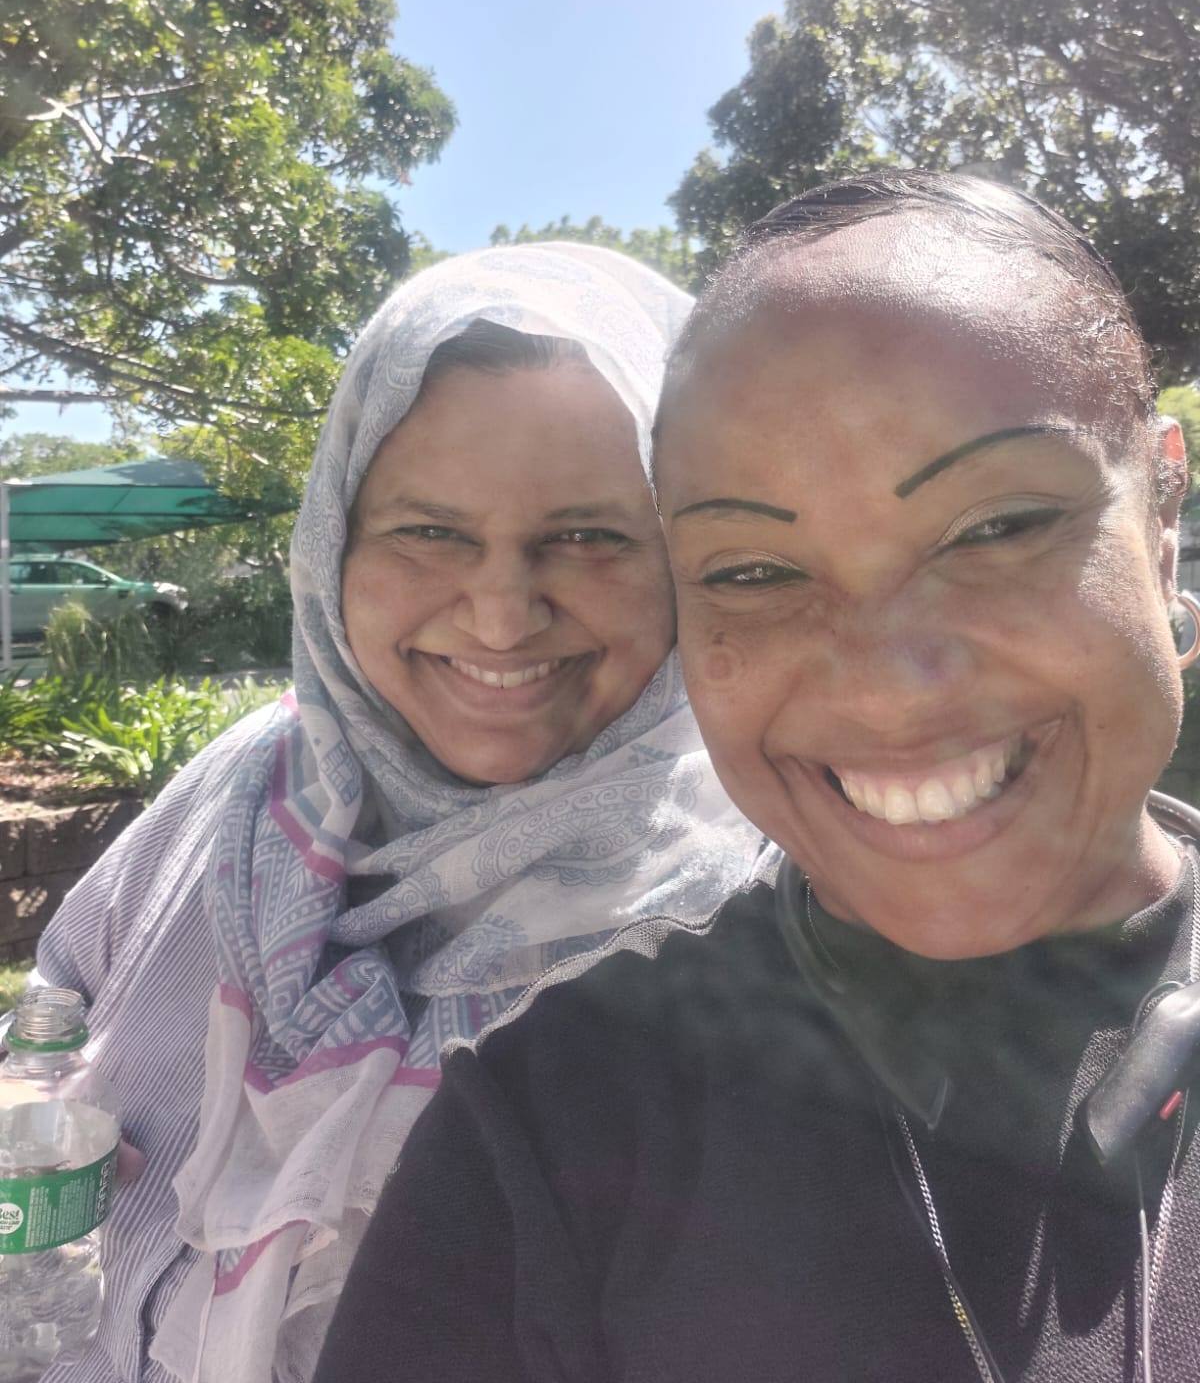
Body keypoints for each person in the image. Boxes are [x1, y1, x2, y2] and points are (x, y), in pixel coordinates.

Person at [314, 173, 1200, 1383]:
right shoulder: (553, 1128)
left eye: (996, 527)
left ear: (1163, 507)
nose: (889, 687)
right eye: (752, 572)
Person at [31, 243, 761, 1383]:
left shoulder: (746, 934)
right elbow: (56, 1010)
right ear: (336, 544)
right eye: (431, 530)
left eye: (589, 536)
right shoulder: (243, 794)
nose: (502, 616)